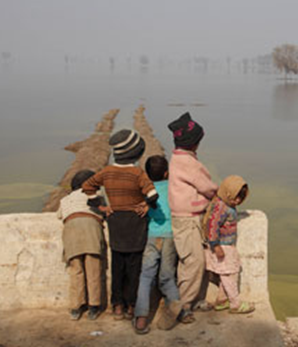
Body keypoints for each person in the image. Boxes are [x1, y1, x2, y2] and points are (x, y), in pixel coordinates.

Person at [82, 129, 159, 321]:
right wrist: (146, 205)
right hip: (135, 224)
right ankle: (131, 306)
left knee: (117, 267)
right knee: (134, 268)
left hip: (115, 222)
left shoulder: (106, 172)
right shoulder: (137, 173)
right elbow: (153, 195)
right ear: (137, 153)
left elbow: (87, 187)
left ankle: (117, 306)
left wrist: (100, 206)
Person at [167, 112, 218, 323]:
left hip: (185, 218)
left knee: (188, 260)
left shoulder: (179, 158)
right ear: (193, 143)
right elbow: (207, 187)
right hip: (188, 219)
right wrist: (219, 193)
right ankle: (182, 306)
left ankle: (190, 300)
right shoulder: (187, 162)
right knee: (194, 262)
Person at [133, 155, 182, 334]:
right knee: (167, 277)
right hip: (170, 236)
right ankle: (181, 311)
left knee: (146, 277)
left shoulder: (147, 191)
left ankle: (141, 319)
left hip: (152, 236)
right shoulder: (173, 188)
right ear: (167, 172)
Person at [56, 169, 109, 321]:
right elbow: (104, 212)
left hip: (71, 231)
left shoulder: (65, 200)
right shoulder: (97, 196)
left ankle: (76, 307)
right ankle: (93, 307)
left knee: (76, 270)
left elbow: (59, 215)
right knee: (93, 270)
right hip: (91, 230)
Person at [203, 175, 255, 314]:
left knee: (227, 273)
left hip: (227, 245)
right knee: (229, 274)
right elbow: (212, 225)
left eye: (241, 198)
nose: (237, 201)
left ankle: (221, 300)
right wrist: (216, 245)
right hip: (222, 246)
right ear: (227, 192)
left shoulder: (225, 204)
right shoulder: (221, 207)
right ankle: (235, 304)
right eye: (235, 197)